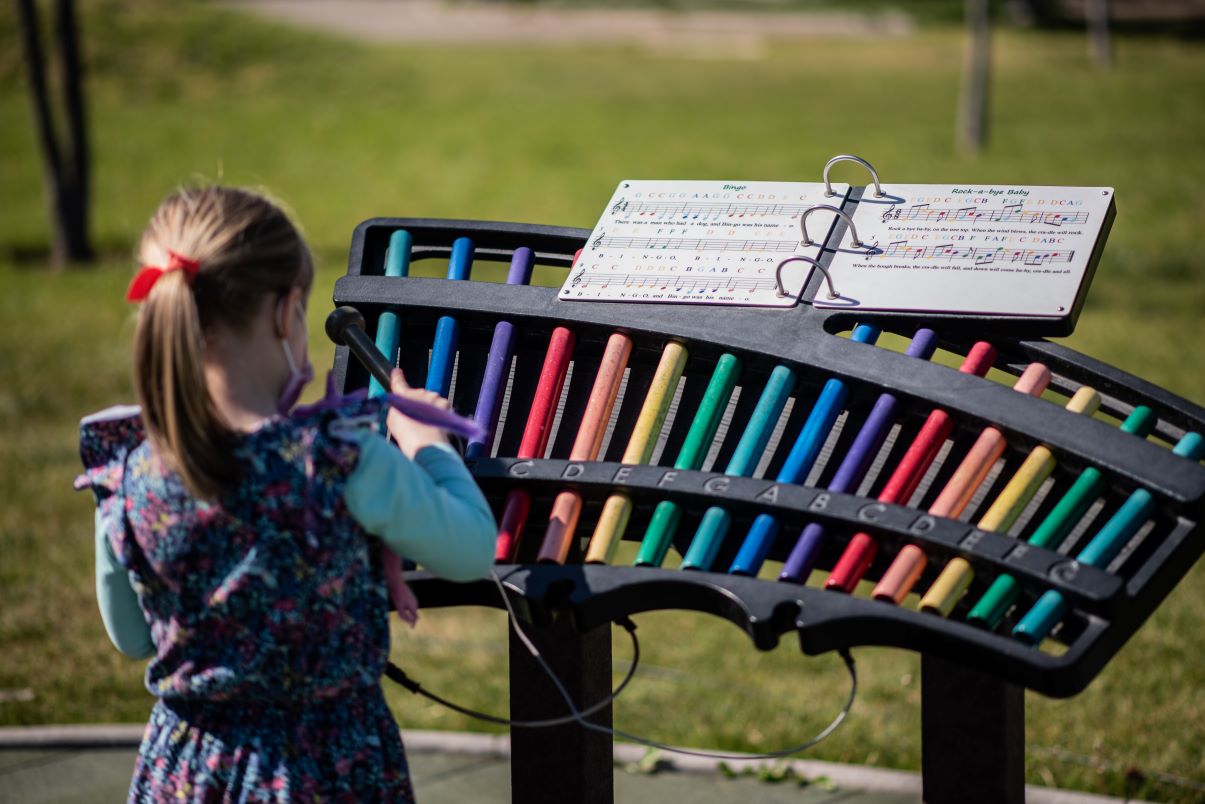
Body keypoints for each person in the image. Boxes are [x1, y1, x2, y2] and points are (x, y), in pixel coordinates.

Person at [74, 186, 496, 802]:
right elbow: (470, 550)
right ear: (283, 313)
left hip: (189, 771)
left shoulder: (128, 470)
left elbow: (134, 638)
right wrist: (428, 444)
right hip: (325, 770)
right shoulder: (340, 459)